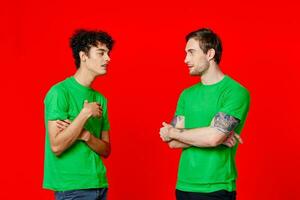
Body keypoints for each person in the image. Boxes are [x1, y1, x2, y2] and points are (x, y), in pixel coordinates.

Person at [159, 28, 250, 200]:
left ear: (210, 53)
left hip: (216, 187)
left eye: (191, 53)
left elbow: (212, 138)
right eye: (185, 53)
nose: (185, 59)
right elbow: (173, 144)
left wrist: (172, 132)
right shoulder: (186, 94)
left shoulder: (235, 92)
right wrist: (212, 135)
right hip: (183, 185)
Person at [43, 29, 114, 200]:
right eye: (101, 53)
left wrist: (85, 135)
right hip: (72, 188)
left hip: (99, 185)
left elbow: (106, 149)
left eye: (108, 53)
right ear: (83, 56)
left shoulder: (101, 99)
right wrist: (85, 113)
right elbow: (57, 146)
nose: (108, 58)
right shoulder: (60, 92)